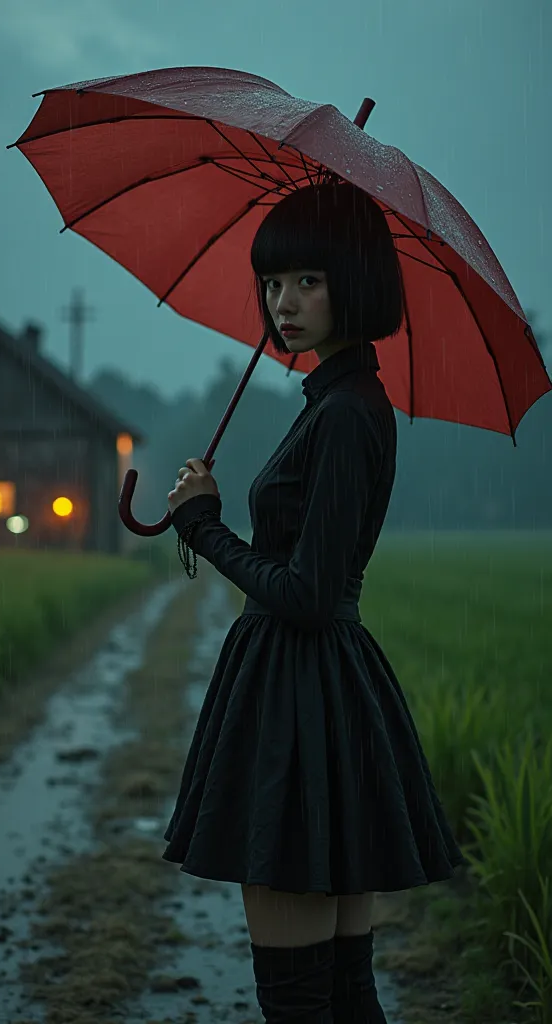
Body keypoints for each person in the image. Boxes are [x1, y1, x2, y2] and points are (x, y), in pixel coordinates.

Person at [164, 179, 465, 1023]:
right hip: (321, 696)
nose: (282, 303)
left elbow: (304, 593)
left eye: (308, 281)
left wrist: (205, 528)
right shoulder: (339, 402)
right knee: (338, 991)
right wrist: (210, 518)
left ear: (354, 280)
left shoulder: (346, 414)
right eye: (272, 282)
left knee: (300, 1000)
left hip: (304, 702)